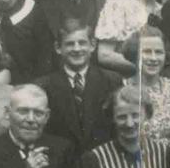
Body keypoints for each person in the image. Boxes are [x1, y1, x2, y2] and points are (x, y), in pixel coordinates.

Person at [36, 18, 121, 154]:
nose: (76, 49)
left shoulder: (112, 81)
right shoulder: (44, 86)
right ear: (58, 48)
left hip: (102, 158)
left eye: (82, 43)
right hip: (62, 161)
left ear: (92, 45)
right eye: (70, 44)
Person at [122, 26, 170, 152]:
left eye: (158, 52)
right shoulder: (123, 88)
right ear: (134, 54)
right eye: (147, 52)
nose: (153, 58)